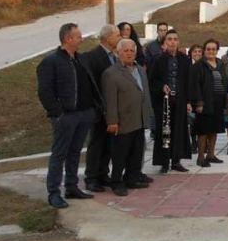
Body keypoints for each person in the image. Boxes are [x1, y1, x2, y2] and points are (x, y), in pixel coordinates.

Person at [36, 23, 101, 209]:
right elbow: (45, 91)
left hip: (83, 114)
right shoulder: (51, 62)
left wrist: (93, 109)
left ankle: (71, 187)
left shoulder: (80, 59)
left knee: (75, 152)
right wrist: (57, 112)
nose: (81, 39)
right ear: (68, 39)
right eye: (78, 36)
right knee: (59, 154)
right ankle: (54, 192)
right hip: (66, 116)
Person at [102, 38, 153, 196]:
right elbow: (109, 100)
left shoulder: (140, 69)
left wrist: (148, 114)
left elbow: (144, 92)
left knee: (137, 151)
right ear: (118, 53)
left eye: (132, 50)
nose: (129, 53)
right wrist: (112, 121)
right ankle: (116, 182)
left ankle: (132, 177)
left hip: (139, 119)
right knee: (120, 154)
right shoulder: (111, 73)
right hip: (123, 121)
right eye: (126, 50)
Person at [82, 24, 121, 193]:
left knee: (108, 143)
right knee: (96, 143)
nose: (119, 38)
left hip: (113, 108)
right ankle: (91, 178)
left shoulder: (115, 56)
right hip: (99, 109)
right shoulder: (93, 56)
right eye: (117, 35)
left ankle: (103, 173)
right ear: (107, 37)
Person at [148, 29, 192, 173]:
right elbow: (152, 80)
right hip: (163, 102)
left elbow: (188, 83)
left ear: (178, 42)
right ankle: (164, 162)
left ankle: (176, 161)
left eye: (175, 39)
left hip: (180, 101)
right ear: (165, 42)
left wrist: (189, 101)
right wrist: (162, 87)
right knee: (164, 132)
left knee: (179, 130)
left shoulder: (185, 60)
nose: (172, 42)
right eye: (169, 39)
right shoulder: (158, 59)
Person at [190, 39, 228, 167]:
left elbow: (225, 81)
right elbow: (195, 86)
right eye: (208, 49)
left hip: (218, 102)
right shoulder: (199, 65)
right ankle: (201, 157)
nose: (211, 51)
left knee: (214, 129)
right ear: (204, 50)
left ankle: (211, 155)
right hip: (205, 102)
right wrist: (199, 103)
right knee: (203, 131)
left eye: (213, 49)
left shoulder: (220, 63)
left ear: (217, 50)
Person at [187, 44, 203, 153]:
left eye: (199, 52)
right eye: (195, 51)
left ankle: (203, 143)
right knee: (192, 122)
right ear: (191, 53)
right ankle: (193, 142)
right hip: (191, 96)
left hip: (202, 97)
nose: (197, 53)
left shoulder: (204, 65)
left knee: (202, 121)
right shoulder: (187, 66)